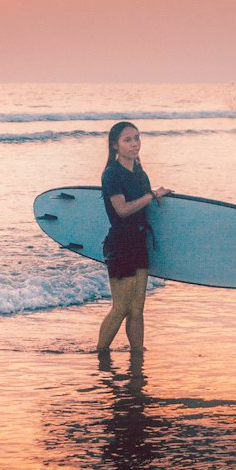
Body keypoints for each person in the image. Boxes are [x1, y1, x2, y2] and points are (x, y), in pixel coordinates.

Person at [97, 121, 171, 353]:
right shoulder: (111, 174)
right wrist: (151, 195)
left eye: (137, 138)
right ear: (115, 146)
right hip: (120, 246)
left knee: (138, 309)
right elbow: (123, 209)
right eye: (127, 140)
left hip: (139, 243)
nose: (134, 144)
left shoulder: (140, 174)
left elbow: (148, 212)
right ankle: (100, 354)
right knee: (121, 308)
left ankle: (138, 355)